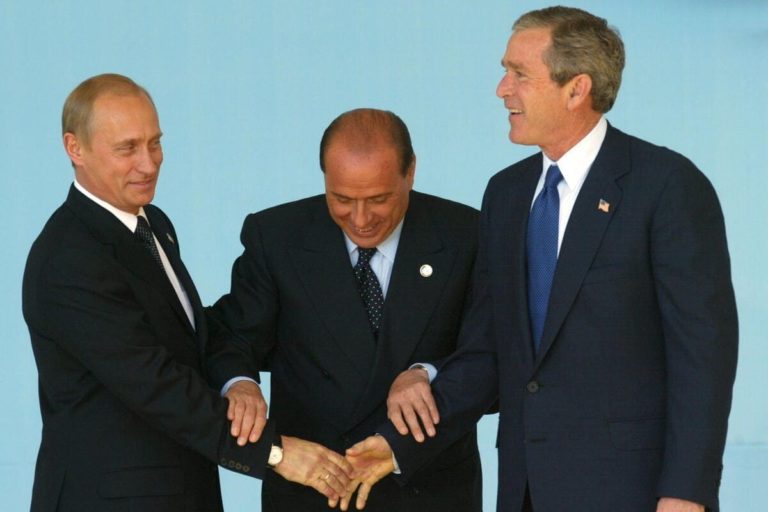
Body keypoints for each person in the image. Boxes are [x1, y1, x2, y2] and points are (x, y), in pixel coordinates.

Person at [346, 7, 738, 512]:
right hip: (525, 491)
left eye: (519, 74)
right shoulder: (506, 194)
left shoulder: (666, 186)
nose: (502, 89)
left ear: (576, 89)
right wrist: (400, 443)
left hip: (633, 493)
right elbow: (489, 348)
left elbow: (703, 357)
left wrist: (686, 492)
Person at [22, 73, 352, 512]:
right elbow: (155, 383)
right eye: (127, 148)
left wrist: (238, 379)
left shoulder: (152, 224)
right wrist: (276, 453)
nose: (149, 164)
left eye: (154, 143)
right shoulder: (69, 259)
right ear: (74, 148)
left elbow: (187, 336)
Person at [207, 108, 482, 511]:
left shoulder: (466, 235)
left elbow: (492, 355)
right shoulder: (277, 236)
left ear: (411, 172)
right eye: (341, 199)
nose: (360, 219)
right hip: (312, 492)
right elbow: (233, 335)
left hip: (430, 490)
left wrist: (428, 372)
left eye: (378, 199)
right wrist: (240, 384)